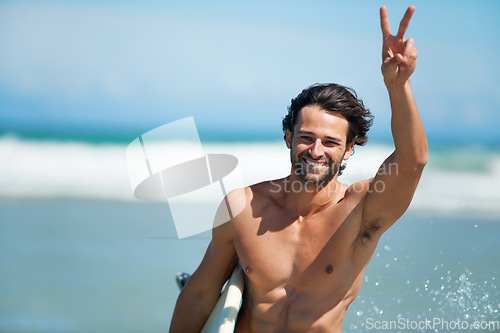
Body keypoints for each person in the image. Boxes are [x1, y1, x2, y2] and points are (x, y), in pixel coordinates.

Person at [170, 5, 427, 333]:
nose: (316, 151)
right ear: (289, 137)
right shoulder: (242, 208)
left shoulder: (361, 210)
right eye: (306, 138)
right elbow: (200, 296)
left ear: (349, 148)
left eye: (330, 142)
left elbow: (412, 162)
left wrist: (398, 85)